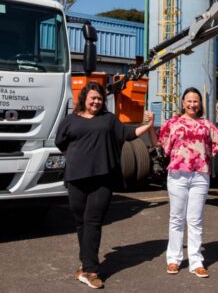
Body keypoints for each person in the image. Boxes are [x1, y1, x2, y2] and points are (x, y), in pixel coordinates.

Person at [55, 81, 157, 289]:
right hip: (76, 178)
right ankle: (86, 264)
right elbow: (60, 142)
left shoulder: (109, 120)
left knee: (93, 220)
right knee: (80, 221)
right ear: (84, 98)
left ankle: (91, 270)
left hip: (103, 178)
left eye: (100, 99)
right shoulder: (70, 120)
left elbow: (128, 134)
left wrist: (147, 125)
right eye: (93, 98)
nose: (96, 101)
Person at [160, 87, 218, 278]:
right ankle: (173, 259)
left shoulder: (206, 124)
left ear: (200, 105)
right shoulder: (173, 122)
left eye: (195, 101)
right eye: (189, 101)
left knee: (195, 220)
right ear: (183, 103)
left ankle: (196, 261)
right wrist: (149, 125)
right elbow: (161, 143)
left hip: (200, 176)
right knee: (176, 218)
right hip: (177, 175)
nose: (192, 104)